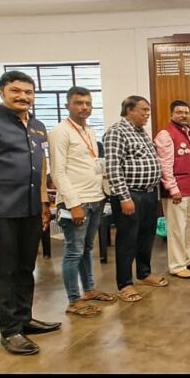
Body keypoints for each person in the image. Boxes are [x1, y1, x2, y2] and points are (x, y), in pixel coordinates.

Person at [0, 70, 59, 355]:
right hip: (0, 210)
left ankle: (24, 319)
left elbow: (42, 167)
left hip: (31, 209)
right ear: (2, 92)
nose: (23, 96)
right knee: (6, 270)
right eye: (16, 91)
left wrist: (44, 203)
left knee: (26, 267)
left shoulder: (37, 125)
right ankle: (10, 330)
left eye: (28, 92)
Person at [49, 86, 116, 319]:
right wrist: (73, 204)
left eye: (88, 103)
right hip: (76, 202)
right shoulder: (60, 132)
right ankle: (73, 300)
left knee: (87, 248)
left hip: (95, 198)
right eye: (78, 103)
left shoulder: (89, 130)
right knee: (73, 251)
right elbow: (58, 172)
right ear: (67, 105)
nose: (84, 107)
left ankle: (89, 290)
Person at [104, 96, 167, 303]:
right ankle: (125, 284)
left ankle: (144, 273)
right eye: (143, 110)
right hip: (130, 195)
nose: (147, 114)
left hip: (149, 193)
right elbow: (113, 167)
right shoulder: (117, 132)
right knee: (127, 239)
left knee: (146, 236)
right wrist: (124, 197)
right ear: (129, 110)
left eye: (148, 110)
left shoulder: (141, 132)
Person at [154, 100, 190, 280]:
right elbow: (165, 165)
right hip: (177, 190)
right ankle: (177, 266)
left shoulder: (187, 132)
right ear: (172, 114)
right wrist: (172, 188)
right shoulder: (166, 134)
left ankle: (188, 258)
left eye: (186, 112)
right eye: (179, 112)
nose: (183, 115)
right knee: (177, 229)